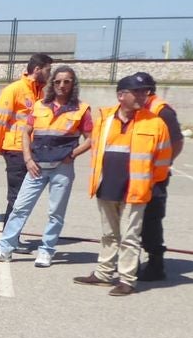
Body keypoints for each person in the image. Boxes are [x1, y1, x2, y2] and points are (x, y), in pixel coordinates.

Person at [0, 66, 92, 267]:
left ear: (73, 84)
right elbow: (26, 132)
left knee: (55, 212)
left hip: (62, 169)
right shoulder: (40, 105)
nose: (62, 85)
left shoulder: (81, 109)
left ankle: (47, 251)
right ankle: (5, 249)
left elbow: (91, 139)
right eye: (58, 81)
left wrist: (72, 154)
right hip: (36, 166)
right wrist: (28, 159)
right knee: (19, 208)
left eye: (67, 81)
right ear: (52, 83)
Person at [74, 74, 172, 296]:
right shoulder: (105, 120)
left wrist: (148, 182)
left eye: (144, 92)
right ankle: (103, 273)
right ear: (121, 95)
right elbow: (97, 150)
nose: (142, 96)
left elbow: (163, 160)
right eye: (136, 92)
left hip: (136, 189)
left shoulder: (155, 123)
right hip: (106, 186)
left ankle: (127, 279)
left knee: (130, 236)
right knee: (109, 234)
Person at [132, 72, 183, 281]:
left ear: (149, 91)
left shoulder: (162, 111)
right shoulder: (136, 108)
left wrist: (163, 163)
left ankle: (155, 263)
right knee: (132, 219)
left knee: (151, 219)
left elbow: (177, 142)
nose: (136, 94)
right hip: (136, 175)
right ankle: (131, 262)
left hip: (155, 178)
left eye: (139, 90)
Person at [0, 53, 53, 225]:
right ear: (37, 69)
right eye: (48, 70)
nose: (50, 75)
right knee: (16, 196)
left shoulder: (41, 92)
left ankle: (12, 235)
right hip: (15, 150)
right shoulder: (14, 90)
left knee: (25, 197)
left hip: (33, 151)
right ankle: (9, 236)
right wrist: (0, 147)